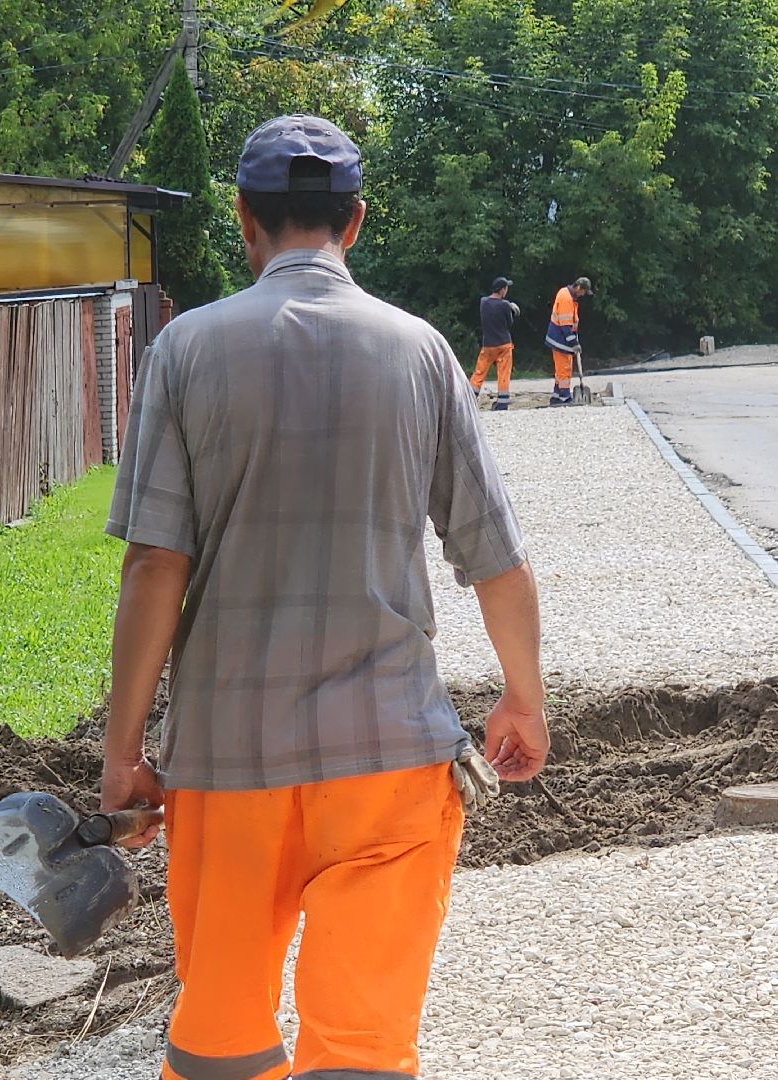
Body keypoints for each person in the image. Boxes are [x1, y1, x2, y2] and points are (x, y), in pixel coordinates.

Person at [100, 114, 549, 1080]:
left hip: (227, 766)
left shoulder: (184, 351)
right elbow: (494, 557)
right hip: (387, 760)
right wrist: (523, 698)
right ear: (355, 221)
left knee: (220, 1046)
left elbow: (153, 568)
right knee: (360, 1053)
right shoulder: (422, 352)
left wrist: (125, 752)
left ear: (243, 219)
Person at [470, 276, 518, 410]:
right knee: (503, 373)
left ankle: (470, 398)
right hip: (504, 343)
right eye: (506, 288)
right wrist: (511, 310)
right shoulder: (504, 305)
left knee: (479, 372)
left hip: (488, 344)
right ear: (502, 290)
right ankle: (502, 402)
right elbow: (509, 323)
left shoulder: (483, 302)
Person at [545, 276, 593, 405]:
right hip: (560, 340)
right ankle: (565, 397)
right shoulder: (566, 299)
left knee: (561, 369)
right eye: (583, 292)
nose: (583, 295)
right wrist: (574, 343)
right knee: (564, 369)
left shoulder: (566, 293)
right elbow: (565, 325)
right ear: (578, 288)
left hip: (560, 339)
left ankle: (556, 396)